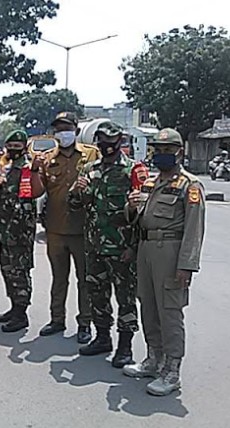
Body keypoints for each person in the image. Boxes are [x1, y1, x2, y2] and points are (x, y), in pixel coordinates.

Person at [124, 128, 205, 396]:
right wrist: (132, 207)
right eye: (158, 150)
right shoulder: (151, 182)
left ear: (179, 152)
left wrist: (186, 265)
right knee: (148, 306)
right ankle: (153, 359)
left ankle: (172, 370)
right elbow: (136, 219)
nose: (162, 154)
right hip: (146, 250)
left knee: (169, 311)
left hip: (170, 252)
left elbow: (194, 229)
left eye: (168, 150)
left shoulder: (189, 185)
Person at [69, 121, 148, 367]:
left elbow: (142, 214)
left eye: (111, 142)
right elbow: (75, 207)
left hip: (122, 248)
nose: (107, 147)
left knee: (125, 297)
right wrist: (76, 192)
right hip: (94, 247)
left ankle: (125, 347)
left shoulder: (133, 170)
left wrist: (132, 247)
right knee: (96, 294)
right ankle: (103, 337)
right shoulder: (89, 170)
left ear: (120, 142)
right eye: (102, 142)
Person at [39, 112, 100, 344]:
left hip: (83, 229)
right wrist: (35, 171)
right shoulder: (46, 158)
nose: (62, 132)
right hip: (55, 229)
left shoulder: (92, 154)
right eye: (58, 128)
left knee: (85, 279)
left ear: (75, 129)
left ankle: (85, 322)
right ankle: (57, 319)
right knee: (58, 278)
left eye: (66, 127)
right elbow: (37, 192)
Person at [0, 130, 44, 332]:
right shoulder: (5, 168)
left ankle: (21, 313)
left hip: (21, 230)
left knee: (19, 271)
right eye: (9, 146)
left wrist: (37, 172)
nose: (12, 149)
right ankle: (13, 307)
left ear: (24, 147)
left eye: (16, 146)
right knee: (6, 269)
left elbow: (38, 192)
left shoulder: (29, 169)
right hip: (5, 229)